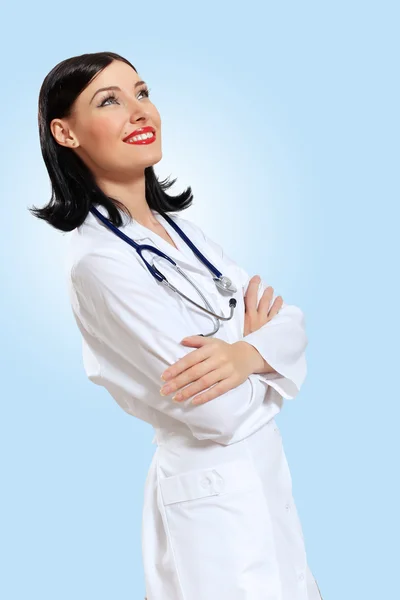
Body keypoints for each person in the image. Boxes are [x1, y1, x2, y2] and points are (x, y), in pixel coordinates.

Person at [30, 51, 323, 600]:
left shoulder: (180, 232)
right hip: (210, 499)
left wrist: (243, 357)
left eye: (142, 92)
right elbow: (218, 412)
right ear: (65, 132)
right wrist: (260, 351)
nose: (140, 112)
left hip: (262, 482)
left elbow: (291, 322)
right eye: (109, 100)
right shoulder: (99, 263)